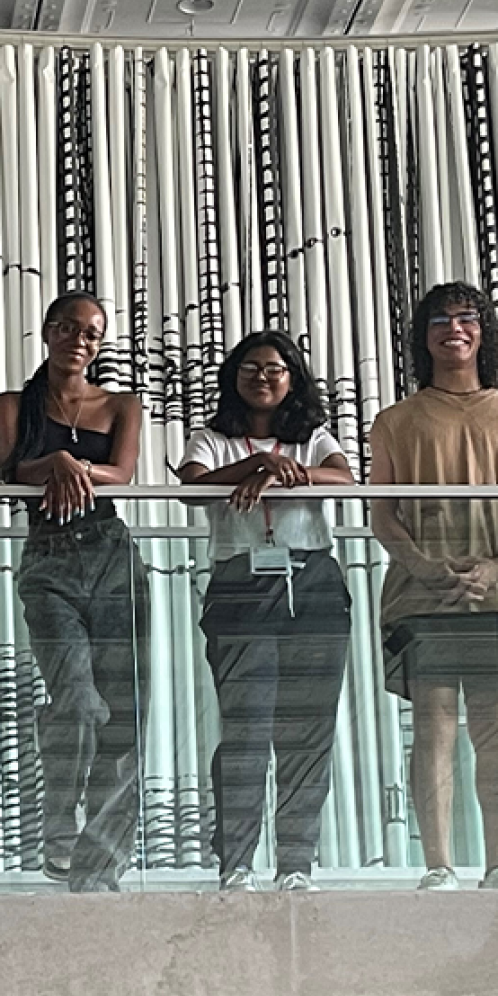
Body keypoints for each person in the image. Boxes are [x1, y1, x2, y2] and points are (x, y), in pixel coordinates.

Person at [370, 281, 498, 892]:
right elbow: (382, 513)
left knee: (495, 727)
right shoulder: (395, 421)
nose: (454, 328)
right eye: (440, 319)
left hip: (496, 595)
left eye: (466, 317)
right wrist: (421, 566)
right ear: (424, 336)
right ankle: (438, 864)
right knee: (434, 726)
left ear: (483, 331)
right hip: (422, 597)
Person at [178, 331, 355, 893]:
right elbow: (192, 488)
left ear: (293, 379)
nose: (264, 377)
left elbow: (343, 479)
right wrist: (257, 464)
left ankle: (297, 863)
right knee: (246, 727)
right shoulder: (210, 438)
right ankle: (235, 863)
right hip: (241, 583)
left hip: (313, 581)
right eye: (251, 367)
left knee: (309, 730)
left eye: (276, 369)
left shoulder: (314, 436)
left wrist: (277, 471)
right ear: (234, 376)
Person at [0, 291, 145, 893]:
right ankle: (58, 821)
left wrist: (66, 467)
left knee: (124, 711)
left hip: (112, 553)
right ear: (49, 331)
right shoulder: (12, 404)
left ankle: (102, 856)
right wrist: (54, 457)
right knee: (78, 700)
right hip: (49, 558)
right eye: (70, 328)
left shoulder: (123, 405)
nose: (81, 340)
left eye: (93, 333)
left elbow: (124, 474)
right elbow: (8, 470)